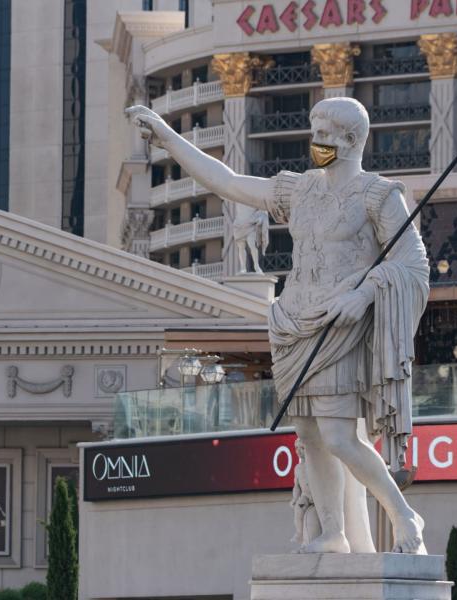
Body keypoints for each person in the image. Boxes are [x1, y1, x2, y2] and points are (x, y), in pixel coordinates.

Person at [127, 97, 429, 554]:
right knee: (309, 435)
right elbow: (227, 182)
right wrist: (168, 138)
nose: (316, 143)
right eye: (313, 132)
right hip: (292, 325)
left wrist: (362, 294)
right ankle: (333, 534)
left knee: (339, 436)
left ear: (351, 140)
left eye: (324, 135)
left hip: (338, 325)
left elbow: (412, 263)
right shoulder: (299, 190)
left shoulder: (378, 195)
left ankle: (402, 514)